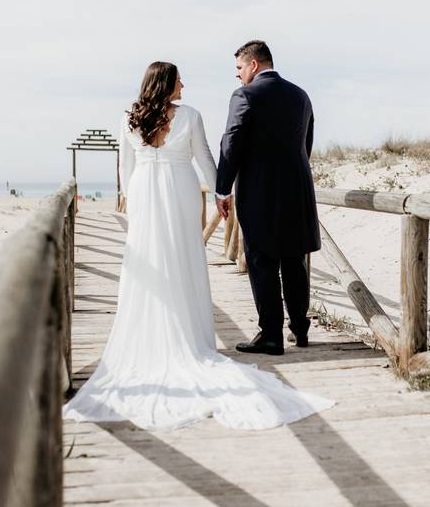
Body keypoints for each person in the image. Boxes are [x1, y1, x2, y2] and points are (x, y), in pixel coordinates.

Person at [62, 61, 332, 430]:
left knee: (147, 260)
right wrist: (221, 192)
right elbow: (205, 157)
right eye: (178, 80)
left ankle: (154, 335)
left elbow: (125, 168)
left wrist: (129, 199)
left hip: (144, 189)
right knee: (184, 258)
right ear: (166, 83)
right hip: (180, 189)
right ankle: (193, 337)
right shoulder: (189, 115)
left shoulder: (128, 118)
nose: (183, 85)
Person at [215, 41, 321, 356]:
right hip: (297, 190)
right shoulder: (301, 95)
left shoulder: (245, 96)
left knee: (262, 262)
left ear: (255, 65)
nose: (237, 75)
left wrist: (223, 188)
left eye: (239, 68)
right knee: (294, 261)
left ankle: (271, 335)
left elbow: (231, 142)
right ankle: (300, 330)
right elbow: (307, 142)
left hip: (260, 192)